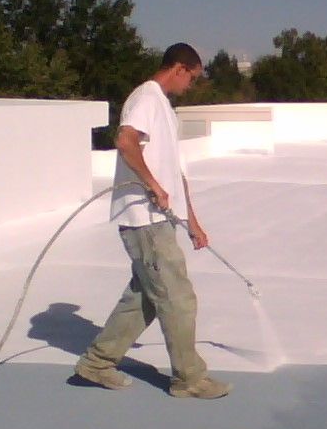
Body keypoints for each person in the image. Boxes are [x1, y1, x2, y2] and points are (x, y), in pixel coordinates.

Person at [73, 43, 231, 399]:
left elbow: (177, 173)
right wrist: (153, 186)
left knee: (144, 298)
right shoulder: (146, 98)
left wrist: (193, 222)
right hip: (145, 220)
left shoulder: (163, 107)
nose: (191, 85)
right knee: (178, 298)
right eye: (192, 77)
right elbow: (126, 141)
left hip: (159, 220)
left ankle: (97, 364)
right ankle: (188, 379)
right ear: (179, 68)